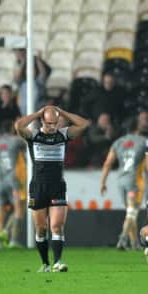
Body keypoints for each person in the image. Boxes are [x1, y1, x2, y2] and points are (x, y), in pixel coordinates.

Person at [15, 105, 90, 273]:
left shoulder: (62, 135)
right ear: (42, 121)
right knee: (41, 228)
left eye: (55, 123)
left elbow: (84, 124)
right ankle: (45, 263)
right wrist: (37, 113)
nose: (52, 127)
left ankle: (57, 262)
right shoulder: (34, 136)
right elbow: (19, 126)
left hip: (57, 186)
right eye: (49, 123)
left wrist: (62, 112)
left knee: (56, 225)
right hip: (38, 186)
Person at [100, 117, 146, 250]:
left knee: (130, 213)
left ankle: (134, 243)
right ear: (137, 127)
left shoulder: (118, 142)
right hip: (135, 181)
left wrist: (103, 182)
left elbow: (107, 163)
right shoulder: (143, 141)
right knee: (132, 213)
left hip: (121, 181)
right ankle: (122, 238)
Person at [0, 120, 27, 248]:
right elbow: (29, 143)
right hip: (13, 181)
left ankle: (1, 242)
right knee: (19, 209)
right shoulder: (16, 141)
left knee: (0, 214)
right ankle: (13, 240)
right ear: (13, 129)